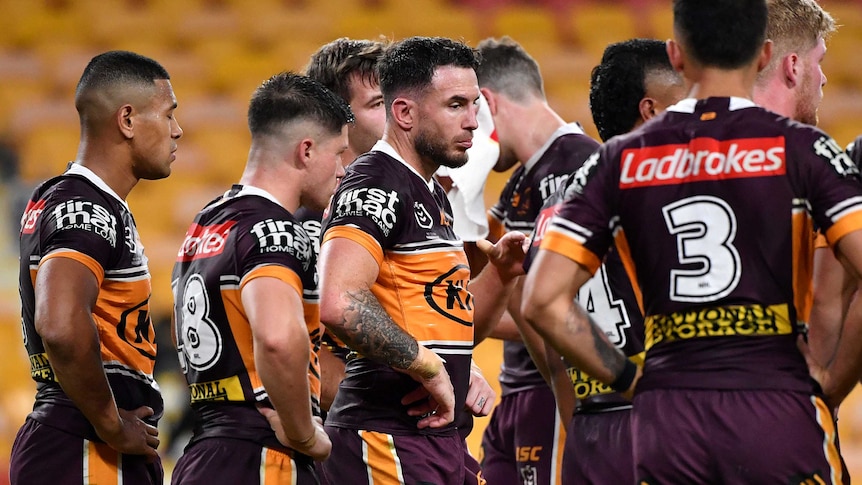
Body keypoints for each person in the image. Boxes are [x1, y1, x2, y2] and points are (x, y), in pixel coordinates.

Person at [521, 0, 862, 482]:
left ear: (676, 55)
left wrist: (630, 378)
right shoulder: (807, 150)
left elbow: (541, 302)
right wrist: (827, 380)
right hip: (775, 403)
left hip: (668, 415)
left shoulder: (618, 160)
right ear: (764, 55)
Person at [317, 36, 526, 485]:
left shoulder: (430, 191)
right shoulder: (373, 184)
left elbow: (455, 320)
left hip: (435, 440)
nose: (473, 122)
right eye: (455, 105)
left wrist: (504, 274)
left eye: (474, 105)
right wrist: (427, 366)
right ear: (405, 113)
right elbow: (338, 302)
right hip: (384, 438)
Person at [169, 72, 352, 484]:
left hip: (205, 451)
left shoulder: (207, 223)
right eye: (338, 153)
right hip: (261, 455)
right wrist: (305, 434)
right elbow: (278, 338)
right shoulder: (276, 229)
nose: (343, 170)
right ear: (306, 150)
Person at [10, 50, 182, 485]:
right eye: (167, 115)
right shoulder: (85, 204)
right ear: (127, 120)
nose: (177, 131)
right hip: (86, 448)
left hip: (80, 441)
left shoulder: (79, 199)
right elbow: (62, 324)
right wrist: (110, 423)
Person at [521, 38, 685, 485]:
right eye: (686, 100)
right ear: (652, 110)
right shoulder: (665, 190)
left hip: (591, 429)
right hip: (664, 418)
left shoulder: (555, 204)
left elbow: (551, 352)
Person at [473, 36, 600, 485]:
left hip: (554, 390)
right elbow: (484, 289)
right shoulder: (522, 181)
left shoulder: (581, 166)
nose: (466, 129)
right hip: (518, 392)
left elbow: (566, 307)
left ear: (486, 101)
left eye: (467, 110)